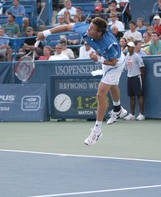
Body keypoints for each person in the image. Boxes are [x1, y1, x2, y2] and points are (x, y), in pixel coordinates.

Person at [37, 17, 127, 145]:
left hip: (116, 63)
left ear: (99, 33)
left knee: (101, 93)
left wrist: (98, 60)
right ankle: (118, 110)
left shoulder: (109, 44)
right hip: (106, 59)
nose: (88, 29)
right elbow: (66, 27)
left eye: (91, 28)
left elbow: (113, 62)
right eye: (89, 27)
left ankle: (97, 131)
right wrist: (45, 33)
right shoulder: (87, 30)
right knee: (112, 85)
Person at [123, 41, 145, 121]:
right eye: (128, 46)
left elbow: (142, 67)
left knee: (139, 95)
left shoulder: (137, 57)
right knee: (131, 96)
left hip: (137, 77)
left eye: (130, 47)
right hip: (130, 77)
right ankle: (132, 114)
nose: (128, 48)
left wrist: (141, 77)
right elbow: (126, 67)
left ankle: (141, 114)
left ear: (133, 48)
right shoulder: (127, 56)